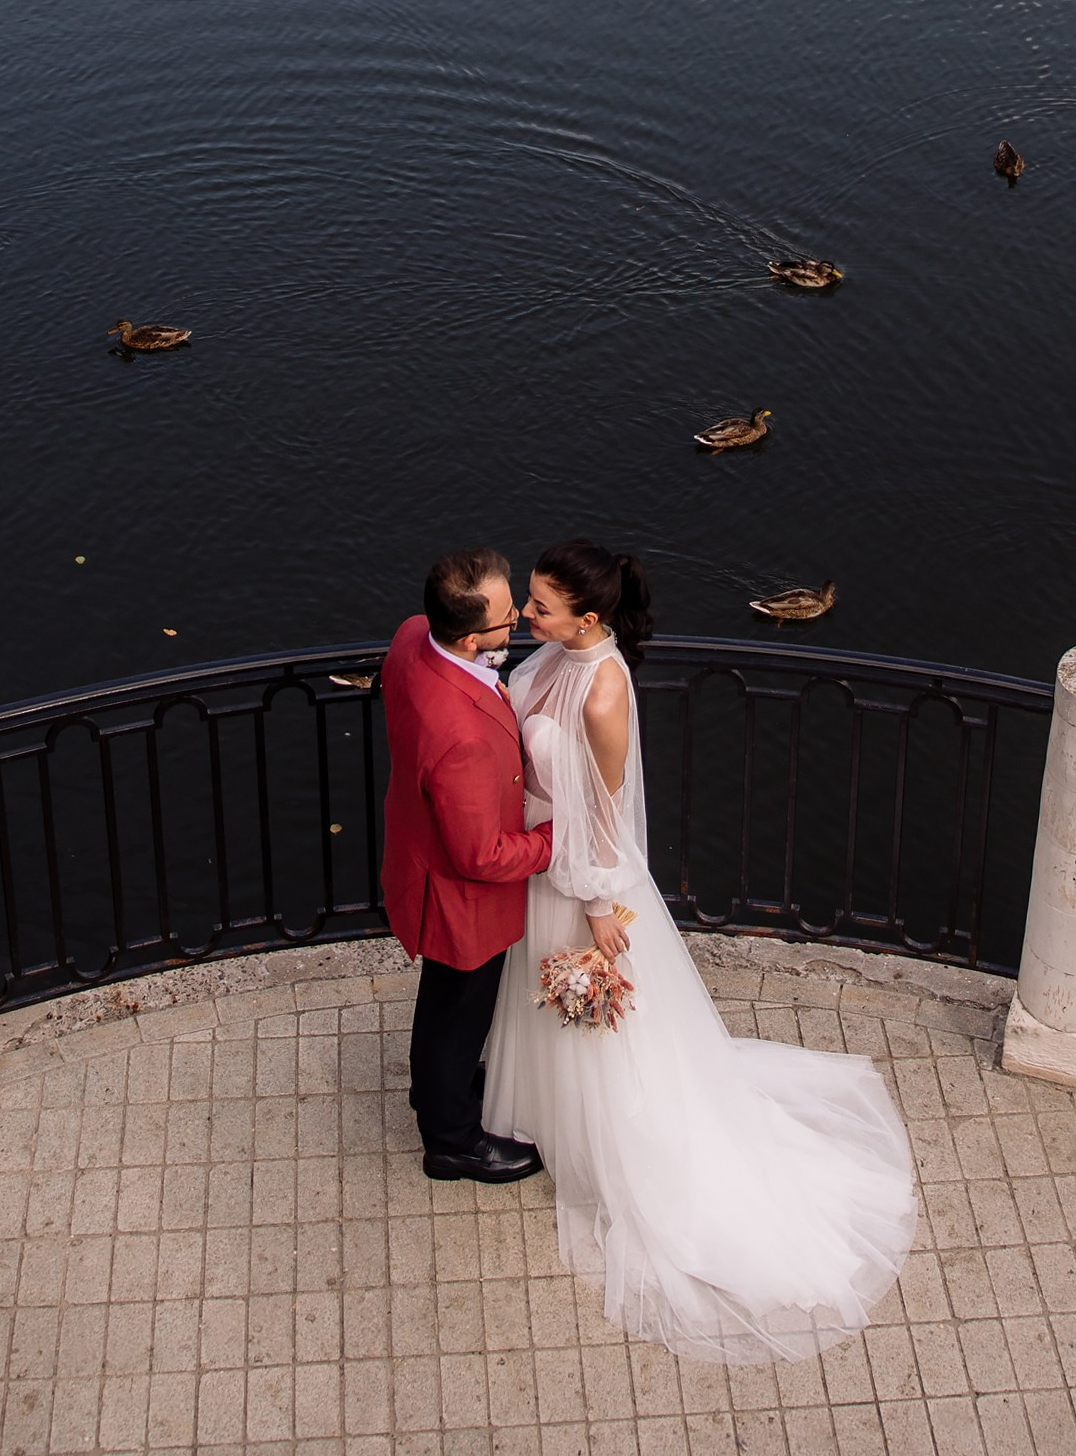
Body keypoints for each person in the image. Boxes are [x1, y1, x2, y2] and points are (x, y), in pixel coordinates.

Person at [481, 538, 918, 1361]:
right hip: (540, 860)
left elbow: (609, 810)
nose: (524, 615)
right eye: (530, 601)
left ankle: (605, 1144)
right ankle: (547, 1117)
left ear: (589, 618)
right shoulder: (549, 658)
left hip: (581, 878)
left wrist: (602, 906)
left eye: (539, 604)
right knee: (544, 1005)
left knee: (595, 1024)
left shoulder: (603, 693)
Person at [380, 546, 558, 1181]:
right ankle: (452, 1141)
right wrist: (554, 841)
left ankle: (435, 1089)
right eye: (508, 619)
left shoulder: (410, 638)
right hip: (459, 898)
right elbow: (481, 856)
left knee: (444, 1006)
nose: (517, 623)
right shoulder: (462, 736)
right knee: (459, 1010)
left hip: (417, 848)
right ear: (467, 636)